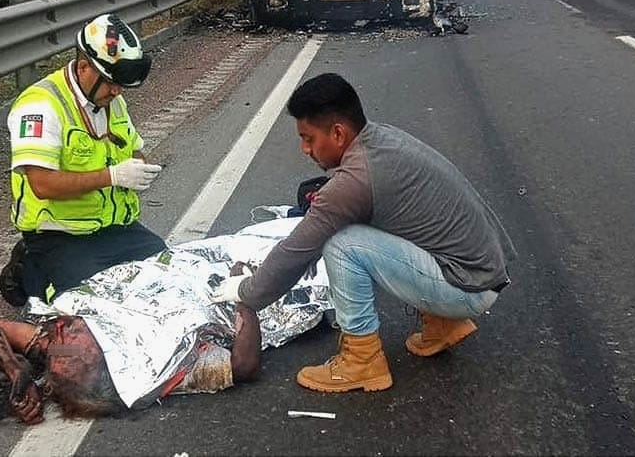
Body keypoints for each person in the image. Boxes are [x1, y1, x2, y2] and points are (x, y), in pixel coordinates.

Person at [210, 72, 516, 393]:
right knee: (363, 224)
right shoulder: (381, 139)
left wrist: (246, 291)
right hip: (482, 270)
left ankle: (362, 361)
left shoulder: (356, 180)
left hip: (467, 286)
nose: (304, 149)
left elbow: (295, 252)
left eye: (308, 138)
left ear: (338, 133)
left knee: (342, 243)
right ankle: (443, 324)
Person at [0, 12, 167, 306]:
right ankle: (28, 268)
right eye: (111, 82)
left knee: (165, 275)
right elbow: (42, 184)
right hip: (60, 234)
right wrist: (112, 176)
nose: (117, 91)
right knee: (91, 304)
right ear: (84, 66)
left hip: (115, 228)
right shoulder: (39, 105)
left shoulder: (111, 99)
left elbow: (132, 149)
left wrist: (139, 168)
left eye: (120, 84)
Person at [0, 264, 261, 423]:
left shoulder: (64, 350)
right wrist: (243, 293)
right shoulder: (153, 367)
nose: (61, 326)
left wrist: (16, 371)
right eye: (68, 336)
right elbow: (243, 365)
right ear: (105, 359)